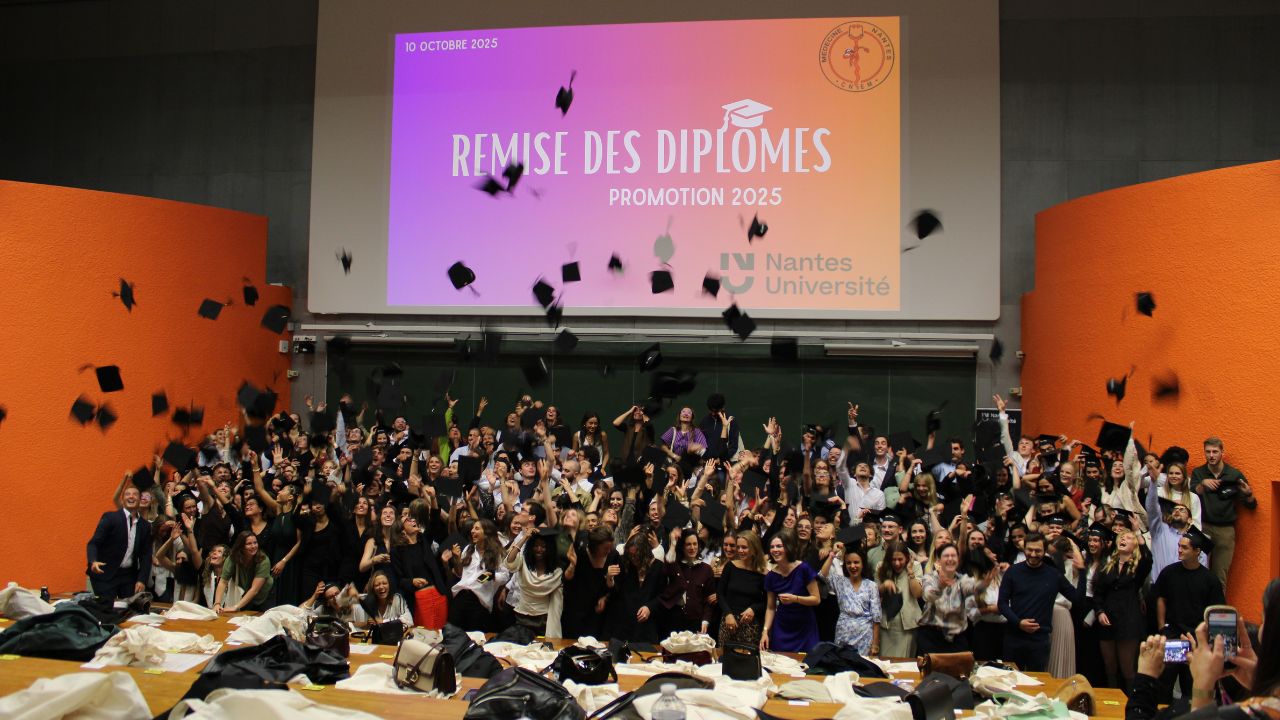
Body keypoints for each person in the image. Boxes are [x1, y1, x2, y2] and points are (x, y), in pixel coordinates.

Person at [1153, 526, 1224, 703]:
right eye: (1179, 546)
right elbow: (1161, 598)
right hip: (1173, 636)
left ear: (1197, 551)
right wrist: (1162, 628)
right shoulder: (1169, 572)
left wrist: (1207, 639)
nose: (1179, 550)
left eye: (1184, 547)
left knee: (1190, 685)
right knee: (1165, 683)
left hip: (1196, 639)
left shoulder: (1210, 579)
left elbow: (1216, 611)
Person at [997, 532, 1078, 672]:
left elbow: (1077, 598)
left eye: (1038, 551)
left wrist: (1081, 570)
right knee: (1010, 679)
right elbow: (1002, 603)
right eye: (1030, 550)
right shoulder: (1013, 571)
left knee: (1037, 679)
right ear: (1024, 549)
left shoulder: (1054, 574)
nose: (1033, 554)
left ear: (1045, 551)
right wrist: (1018, 622)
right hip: (1014, 636)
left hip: (1039, 639)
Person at [1189, 437, 1258, 590]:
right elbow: (1190, 495)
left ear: (1222, 453)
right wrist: (1203, 485)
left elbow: (1251, 506)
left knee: (1219, 576)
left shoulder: (1234, 474)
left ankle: (1217, 605)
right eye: (1208, 452)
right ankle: (1199, 605)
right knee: (1197, 571)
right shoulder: (1199, 473)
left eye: (1215, 452)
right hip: (1203, 527)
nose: (1211, 455)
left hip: (1225, 530)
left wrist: (1248, 494)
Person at [1093, 529, 1152, 690]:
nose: (1123, 539)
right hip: (1107, 620)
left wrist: (1138, 533)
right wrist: (1099, 612)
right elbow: (1098, 594)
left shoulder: (1138, 567)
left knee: (1127, 668)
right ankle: (1112, 699)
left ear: (1135, 545)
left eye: (1128, 538)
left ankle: (1130, 700)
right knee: (1109, 667)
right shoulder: (1107, 566)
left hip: (1128, 621)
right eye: (1121, 537)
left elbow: (1148, 559)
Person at [86, 485, 152, 599]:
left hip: (128, 576)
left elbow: (146, 556)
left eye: (135, 494)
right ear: (123, 499)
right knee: (106, 607)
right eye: (127, 494)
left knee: (129, 607)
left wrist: (141, 579)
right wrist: (93, 561)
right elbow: (94, 543)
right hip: (105, 573)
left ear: (140, 499)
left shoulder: (145, 526)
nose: (131, 496)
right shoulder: (110, 518)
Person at [762, 530, 821, 652]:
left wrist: (795, 599)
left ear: (788, 547)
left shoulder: (803, 568)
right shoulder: (771, 576)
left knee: (807, 661)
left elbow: (816, 599)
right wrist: (765, 631)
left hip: (805, 626)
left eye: (779, 546)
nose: (775, 550)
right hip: (782, 626)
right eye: (772, 547)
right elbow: (770, 607)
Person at [917, 543, 983, 653]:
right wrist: (940, 586)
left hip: (957, 637)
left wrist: (986, 581)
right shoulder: (929, 577)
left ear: (958, 559)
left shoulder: (963, 579)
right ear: (938, 560)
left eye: (953, 556)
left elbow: (975, 588)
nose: (950, 559)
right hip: (931, 636)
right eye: (946, 556)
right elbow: (927, 596)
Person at [503, 525, 565, 637]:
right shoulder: (523, 563)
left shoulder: (557, 571)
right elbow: (509, 562)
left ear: (550, 549)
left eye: (543, 546)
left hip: (543, 619)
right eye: (536, 546)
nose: (539, 549)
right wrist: (525, 537)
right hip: (522, 616)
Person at [390, 515, 449, 629]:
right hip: (419, 598)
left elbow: (434, 520)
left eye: (412, 518)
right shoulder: (396, 551)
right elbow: (398, 580)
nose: (413, 520)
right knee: (425, 634)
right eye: (407, 520)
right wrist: (412, 581)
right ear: (401, 530)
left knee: (441, 632)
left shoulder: (423, 541)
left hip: (438, 593)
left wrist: (433, 502)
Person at [824, 542, 882, 655]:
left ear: (862, 564)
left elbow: (876, 618)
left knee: (862, 664)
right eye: (849, 563)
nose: (852, 566)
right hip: (843, 633)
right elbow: (822, 575)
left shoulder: (871, 585)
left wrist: (875, 644)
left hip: (865, 636)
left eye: (856, 562)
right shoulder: (840, 582)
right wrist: (832, 554)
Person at [659, 528, 717, 635]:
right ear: (682, 546)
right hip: (673, 620)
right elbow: (667, 565)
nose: (692, 548)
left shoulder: (706, 569)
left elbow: (708, 600)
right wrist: (673, 544)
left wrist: (705, 621)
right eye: (688, 544)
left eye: (695, 544)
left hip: (695, 621)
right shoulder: (675, 565)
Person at [718, 530, 767, 649]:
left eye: (744, 547)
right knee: (724, 658)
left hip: (750, 625)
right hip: (729, 622)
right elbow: (720, 594)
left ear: (754, 549)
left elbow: (766, 602)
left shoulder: (763, 573)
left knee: (748, 659)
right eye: (738, 547)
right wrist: (728, 614)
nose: (740, 551)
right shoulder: (730, 566)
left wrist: (753, 609)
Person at [877, 540, 923, 657]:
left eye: (900, 559)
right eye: (893, 560)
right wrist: (884, 585)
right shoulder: (881, 566)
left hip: (908, 625)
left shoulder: (915, 566)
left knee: (905, 662)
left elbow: (917, 593)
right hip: (887, 624)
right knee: (886, 662)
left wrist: (910, 572)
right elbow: (874, 593)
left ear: (907, 558)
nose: (897, 563)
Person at [213, 531, 274, 613]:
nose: (253, 546)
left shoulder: (263, 560)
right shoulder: (232, 558)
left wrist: (235, 607)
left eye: (255, 543)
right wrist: (217, 604)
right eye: (249, 544)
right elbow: (223, 582)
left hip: (264, 595)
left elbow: (254, 590)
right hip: (245, 594)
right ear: (241, 546)